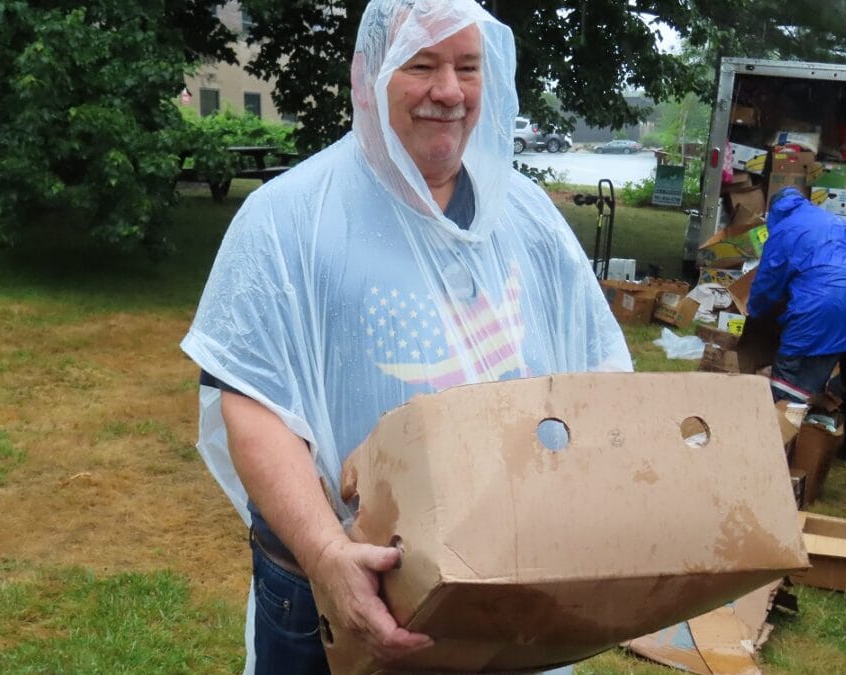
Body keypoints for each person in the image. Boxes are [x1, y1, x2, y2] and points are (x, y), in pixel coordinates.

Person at [180, 1, 632, 672]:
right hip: (332, 586)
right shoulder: (289, 219)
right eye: (421, 64)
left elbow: (597, 381)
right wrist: (329, 555)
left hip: (504, 580)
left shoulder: (529, 219)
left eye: (466, 67)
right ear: (368, 75)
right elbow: (250, 399)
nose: (448, 91)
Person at [748, 187, 846, 457]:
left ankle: (775, 449)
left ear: (774, 213)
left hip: (825, 304)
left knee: (791, 381)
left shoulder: (783, 230)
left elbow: (768, 284)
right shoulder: (836, 221)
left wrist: (755, 314)